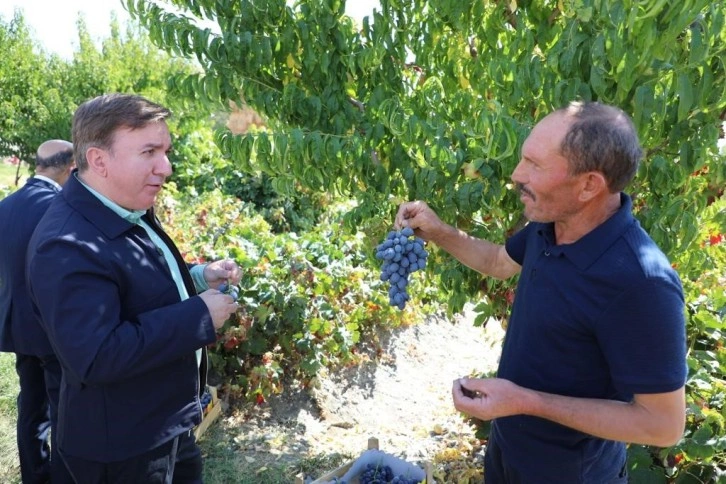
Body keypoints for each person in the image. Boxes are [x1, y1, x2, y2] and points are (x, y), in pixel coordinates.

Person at [395, 101, 687, 483]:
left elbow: (663, 426)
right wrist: (439, 231)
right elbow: (499, 262)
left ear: (589, 185)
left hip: (569, 473)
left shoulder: (641, 284)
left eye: (534, 165)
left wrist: (525, 402)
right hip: (509, 448)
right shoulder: (551, 224)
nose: (517, 174)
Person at [26, 93, 241, 483]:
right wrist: (198, 316)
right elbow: (96, 356)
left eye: (166, 151)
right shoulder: (66, 244)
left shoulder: (124, 206)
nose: (166, 167)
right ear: (99, 160)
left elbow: (132, 283)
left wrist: (196, 277)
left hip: (164, 424)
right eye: (149, 152)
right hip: (124, 449)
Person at [0, 140, 76, 483]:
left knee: (31, 407)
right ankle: (62, 476)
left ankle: (35, 476)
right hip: (51, 326)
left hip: (16, 324)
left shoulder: (6, 205)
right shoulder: (59, 206)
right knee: (64, 409)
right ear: (69, 167)